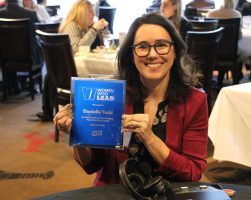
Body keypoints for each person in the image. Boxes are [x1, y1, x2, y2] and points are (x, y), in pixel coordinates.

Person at [53, 13, 208, 186]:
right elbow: (92, 165)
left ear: (175, 51)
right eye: (142, 47)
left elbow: (192, 173)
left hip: (167, 194)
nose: (152, 54)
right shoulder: (112, 95)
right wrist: (79, 135)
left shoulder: (194, 101)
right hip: (116, 192)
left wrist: (150, 138)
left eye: (161, 45)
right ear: (132, 55)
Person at [36, 0, 108, 121]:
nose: (94, 15)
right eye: (91, 12)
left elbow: (102, 41)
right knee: (104, 79)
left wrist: (101, 30)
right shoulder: (72, 25)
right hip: (69, 76)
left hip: (71, 71)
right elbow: (77, 49)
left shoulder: (83, 26)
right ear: (82, 12)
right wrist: (94, 30)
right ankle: (97, 116)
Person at [0, 0, 42, 94]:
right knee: (40, 49)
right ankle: (26, 82)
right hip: (29, 57)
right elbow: (38, 32)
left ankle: (14, 84)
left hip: (5, 58)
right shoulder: (31, 13)